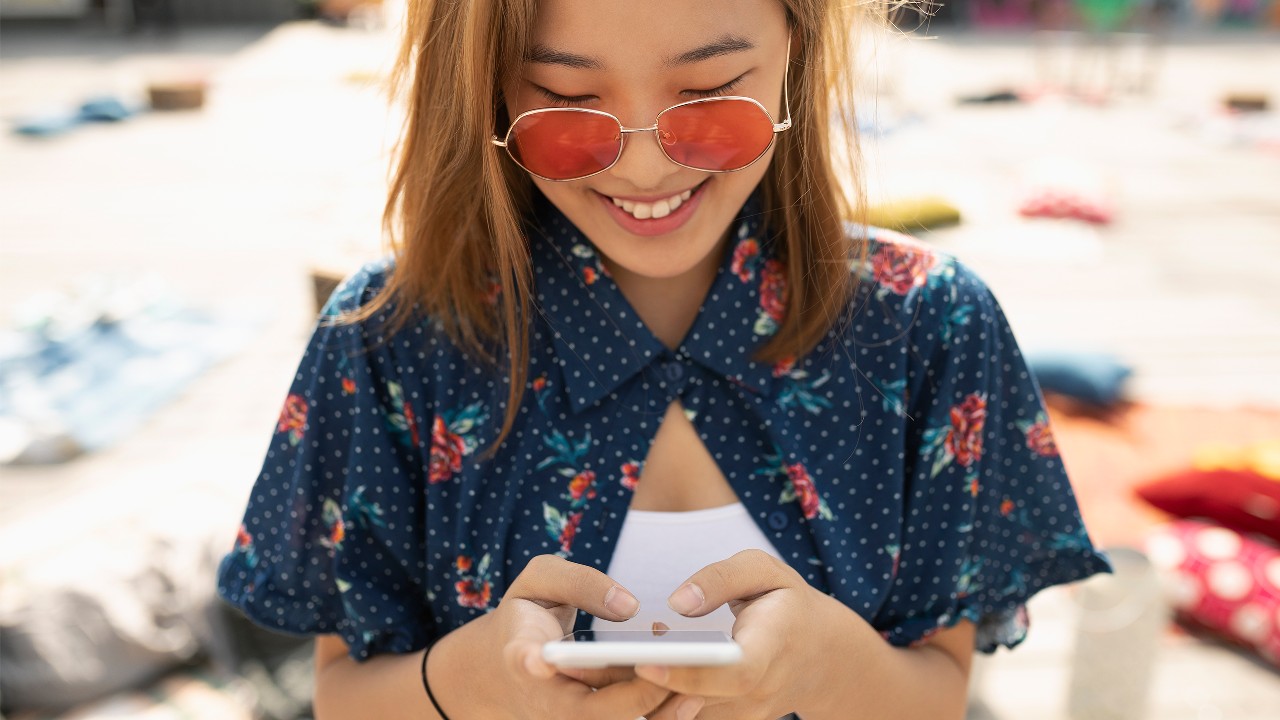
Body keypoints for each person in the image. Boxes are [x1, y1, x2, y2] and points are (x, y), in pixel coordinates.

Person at [216, 0, 1112, 718]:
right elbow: (343, 694)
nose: (645, 168)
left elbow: (938, 694)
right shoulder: (389, 340)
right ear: (485, 89)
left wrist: (826, 672)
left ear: (800, 48)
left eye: (712, 92)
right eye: (566, 106)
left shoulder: (930, 326)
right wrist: (471, 686)